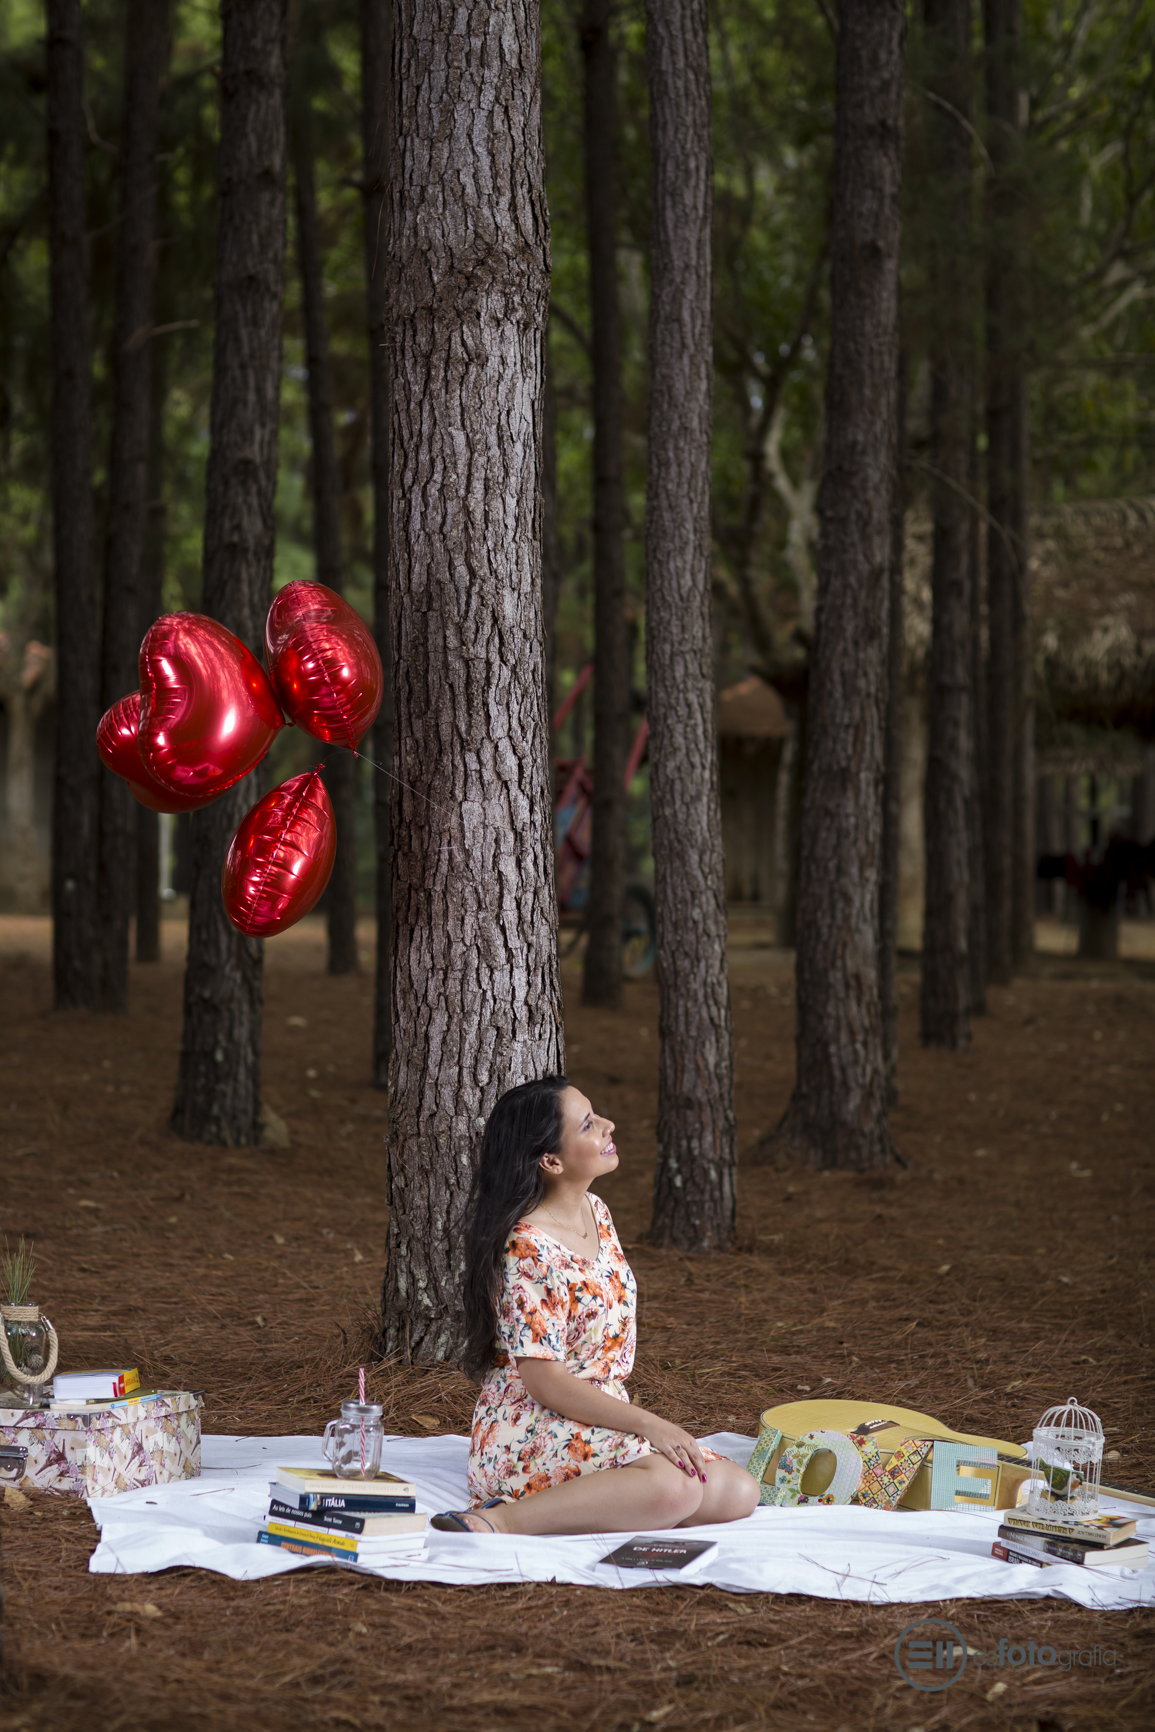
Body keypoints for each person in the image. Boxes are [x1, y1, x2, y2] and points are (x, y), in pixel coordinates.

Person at [432, 1075, 759, 1535]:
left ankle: (609, 1498)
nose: (608, 1125)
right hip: (531, 1424)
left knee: (735, 1490)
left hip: (599, 1412)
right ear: (551, 1160)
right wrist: (650, 1425)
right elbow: (545, 1383)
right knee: (677, 1490)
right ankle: (499, 1519)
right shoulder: (529, 1247)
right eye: (588, 1125)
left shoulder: (597, 1212)